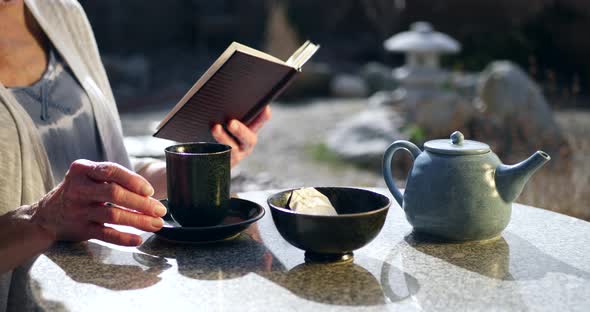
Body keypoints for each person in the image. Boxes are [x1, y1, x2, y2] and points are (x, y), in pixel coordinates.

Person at [0, 0, 272, 277]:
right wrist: (40, 220)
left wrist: (194, 168)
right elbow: (61, 206)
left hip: (107, 287)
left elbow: (111, 168)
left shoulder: (62, 12)